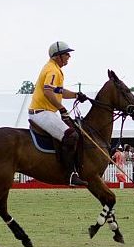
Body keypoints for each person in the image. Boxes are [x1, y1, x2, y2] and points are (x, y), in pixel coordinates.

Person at [27, 41, 90, 186]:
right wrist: (62, 108)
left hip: (46, 111)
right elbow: (48, 91)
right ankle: (70, 175)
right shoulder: (52, 70)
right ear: (58, 56)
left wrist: (76, 95)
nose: (69, 57)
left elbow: (58, 91)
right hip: (41, 112)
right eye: (66, 54)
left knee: (73, 132)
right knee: (71, 136)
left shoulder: (54, 68)